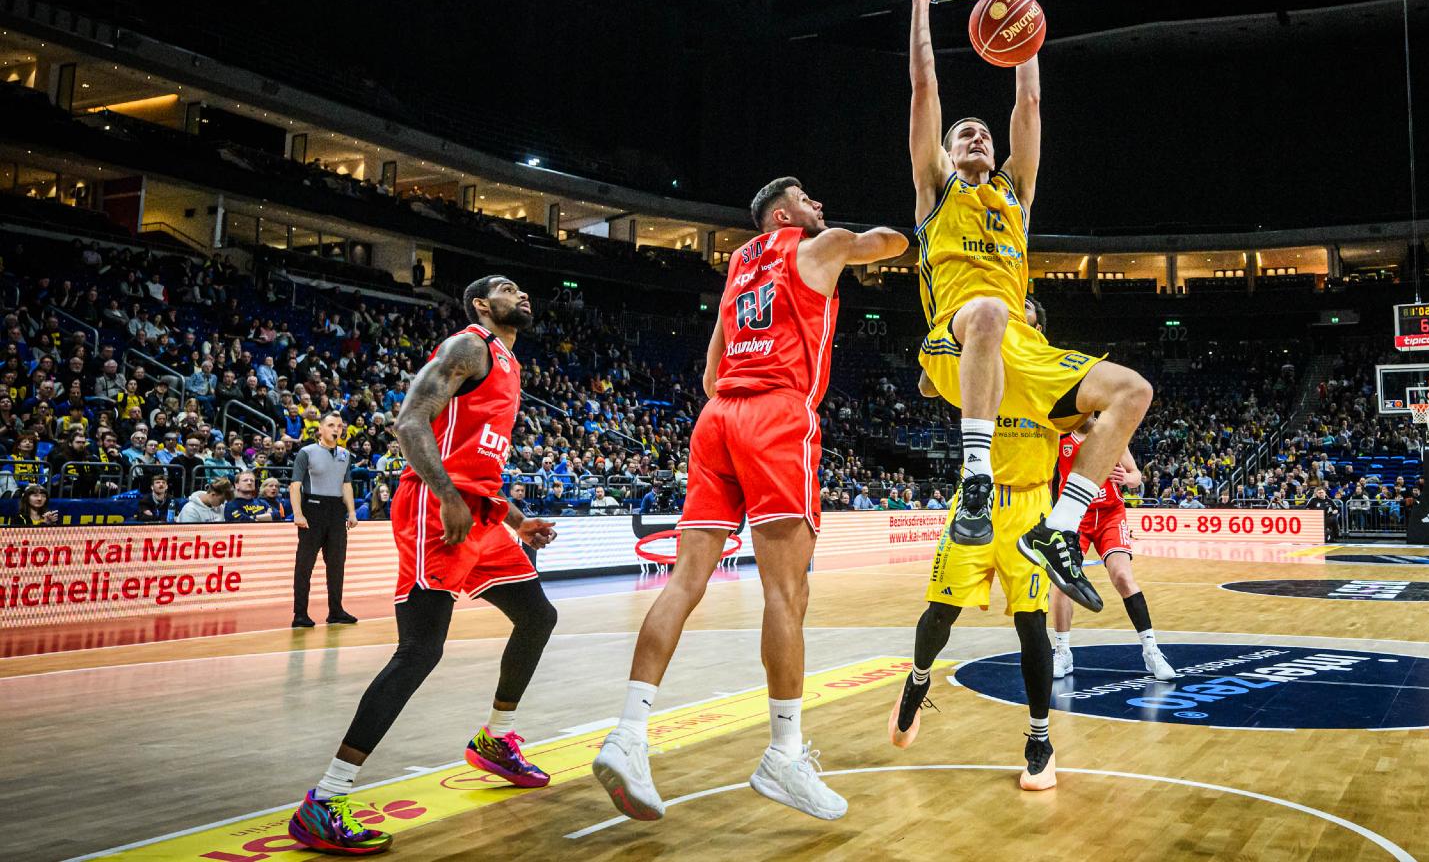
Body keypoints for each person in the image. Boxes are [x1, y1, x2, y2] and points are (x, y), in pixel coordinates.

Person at [593, 178, 903, 825]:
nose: (821, 205)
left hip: (718, 419)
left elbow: (708, 377)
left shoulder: (738, 268)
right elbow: (889, 243)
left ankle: (628, 734)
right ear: (785, 215)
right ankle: (784, 755)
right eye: (810, 200)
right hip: (775, 418)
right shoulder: (812, 248)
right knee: (786, 596)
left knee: (684, 582)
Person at [906, 0, 1153, 611]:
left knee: (1133, 391)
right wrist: (921, 3)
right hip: (953, 336)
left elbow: (1028, 105)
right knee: (986, 311)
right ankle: (977, 479)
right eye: (964, 134)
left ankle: (1061, 530)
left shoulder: (1016, 192)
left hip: (1018, 343)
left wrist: (1024, 21)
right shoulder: (937, 190)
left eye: (983, 133)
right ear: (945, 152)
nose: (978, 137)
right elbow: (924, 86)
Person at [286, 276, 558, 856]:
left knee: (538, 616)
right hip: (437, 507)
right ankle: (324, 802)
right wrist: (450, 497)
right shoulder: (469, 346)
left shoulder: (508, 362)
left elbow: (474, 461)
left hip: (480, 510)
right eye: (511, 289)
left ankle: (496, 740)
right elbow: (409, 423)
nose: (523, 293)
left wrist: (514, 520)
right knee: (420, 651)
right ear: (483, 304)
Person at [890, 401, 1065, 792]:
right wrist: (955, 339)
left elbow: (1090, 423)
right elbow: (926, 386)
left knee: (1031, 621)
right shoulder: (980, 361)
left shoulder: (1053, 373)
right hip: (977, 500)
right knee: (941, 610)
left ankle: (1041, 741)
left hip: (1031, 506)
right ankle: (918, 682)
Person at [1050, 418, 1175, 682]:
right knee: (1062, 581)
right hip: (1075, 515)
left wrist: (1127, 477)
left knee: (1122, 577)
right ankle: (1062, 651)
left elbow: (1136, 476)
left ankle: (1151, 651)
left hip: (1109, 514)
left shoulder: (1111, 434)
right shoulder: (1059, 437)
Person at [290, 412, 358, 628]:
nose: (336, 429)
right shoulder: (306, 452)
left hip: (336, 512)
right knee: (304, 566)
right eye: (330, 425)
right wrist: (298, 513)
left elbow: (346, 485)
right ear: (320, 429)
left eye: (339, 425)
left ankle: (336, 611)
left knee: (337, 565)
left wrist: (352, 512)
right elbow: (295, 486)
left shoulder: (345, 455)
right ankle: (300, 614)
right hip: (313, 510)